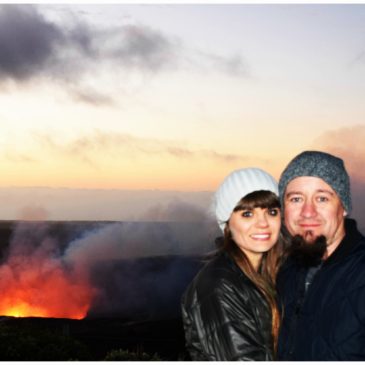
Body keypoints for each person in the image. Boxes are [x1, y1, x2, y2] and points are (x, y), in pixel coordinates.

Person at [181, 167, 286, 360]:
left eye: (271, 211)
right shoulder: (220, 285)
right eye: (247, 214)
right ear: (227, 223)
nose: (263, 223)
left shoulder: (272, 274)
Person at [276, 150, 365, 360]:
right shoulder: (285, 271)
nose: (308, 212)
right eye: (296, 199)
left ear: (343, 207)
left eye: (322, 198)